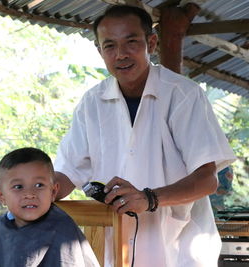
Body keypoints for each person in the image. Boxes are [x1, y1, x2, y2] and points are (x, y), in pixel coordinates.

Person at [54, 5, 236, 267]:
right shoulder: (91, 103)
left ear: (151, 43)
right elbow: (68, 173)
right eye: (110, 46)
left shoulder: (182, 95)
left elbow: (207, 180)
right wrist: (35, 190)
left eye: (131, 42)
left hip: (181, 250)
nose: (121, 55)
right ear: (99, 51)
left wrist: (150, 198)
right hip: (117, 248)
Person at [0, 147, 99, 267]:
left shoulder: (63, 230)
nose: (29, 194)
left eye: (39, 185)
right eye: (18, 187)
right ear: (1, 196)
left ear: (53, 191)